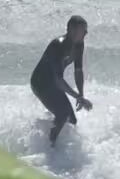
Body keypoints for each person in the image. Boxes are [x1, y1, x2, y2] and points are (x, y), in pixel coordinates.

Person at [30, 15, 92, 146]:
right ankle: (49, 146)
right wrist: (78, 97)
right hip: (40, 82)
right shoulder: (58, 45)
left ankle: (52, 139)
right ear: (70, 30)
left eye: (85, 30)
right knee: (63, 114)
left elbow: (78, 70)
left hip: (53, 83)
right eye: (82, 30)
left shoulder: (79, 45)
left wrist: (81, 95)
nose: (85, 33)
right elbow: (59, 80)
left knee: (72, 120)